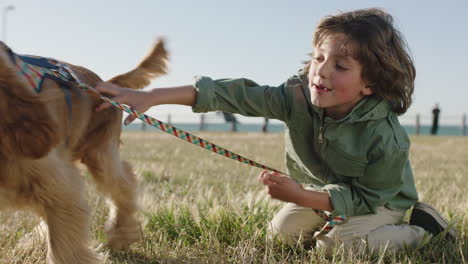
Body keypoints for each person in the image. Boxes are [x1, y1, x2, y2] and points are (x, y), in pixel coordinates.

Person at [95, 8, 457, 254]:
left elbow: (364, 198)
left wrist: (301, 197)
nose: (321, 71)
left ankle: (423, 232)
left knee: (338, 247)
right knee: (279, 235)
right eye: (318, 58)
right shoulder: (295, 98)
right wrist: (151, 96)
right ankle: (330, 224)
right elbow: (232, 94)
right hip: (318, 193)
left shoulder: (385, 136)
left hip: (378, 203)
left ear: (371, 84)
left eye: (340, 65)